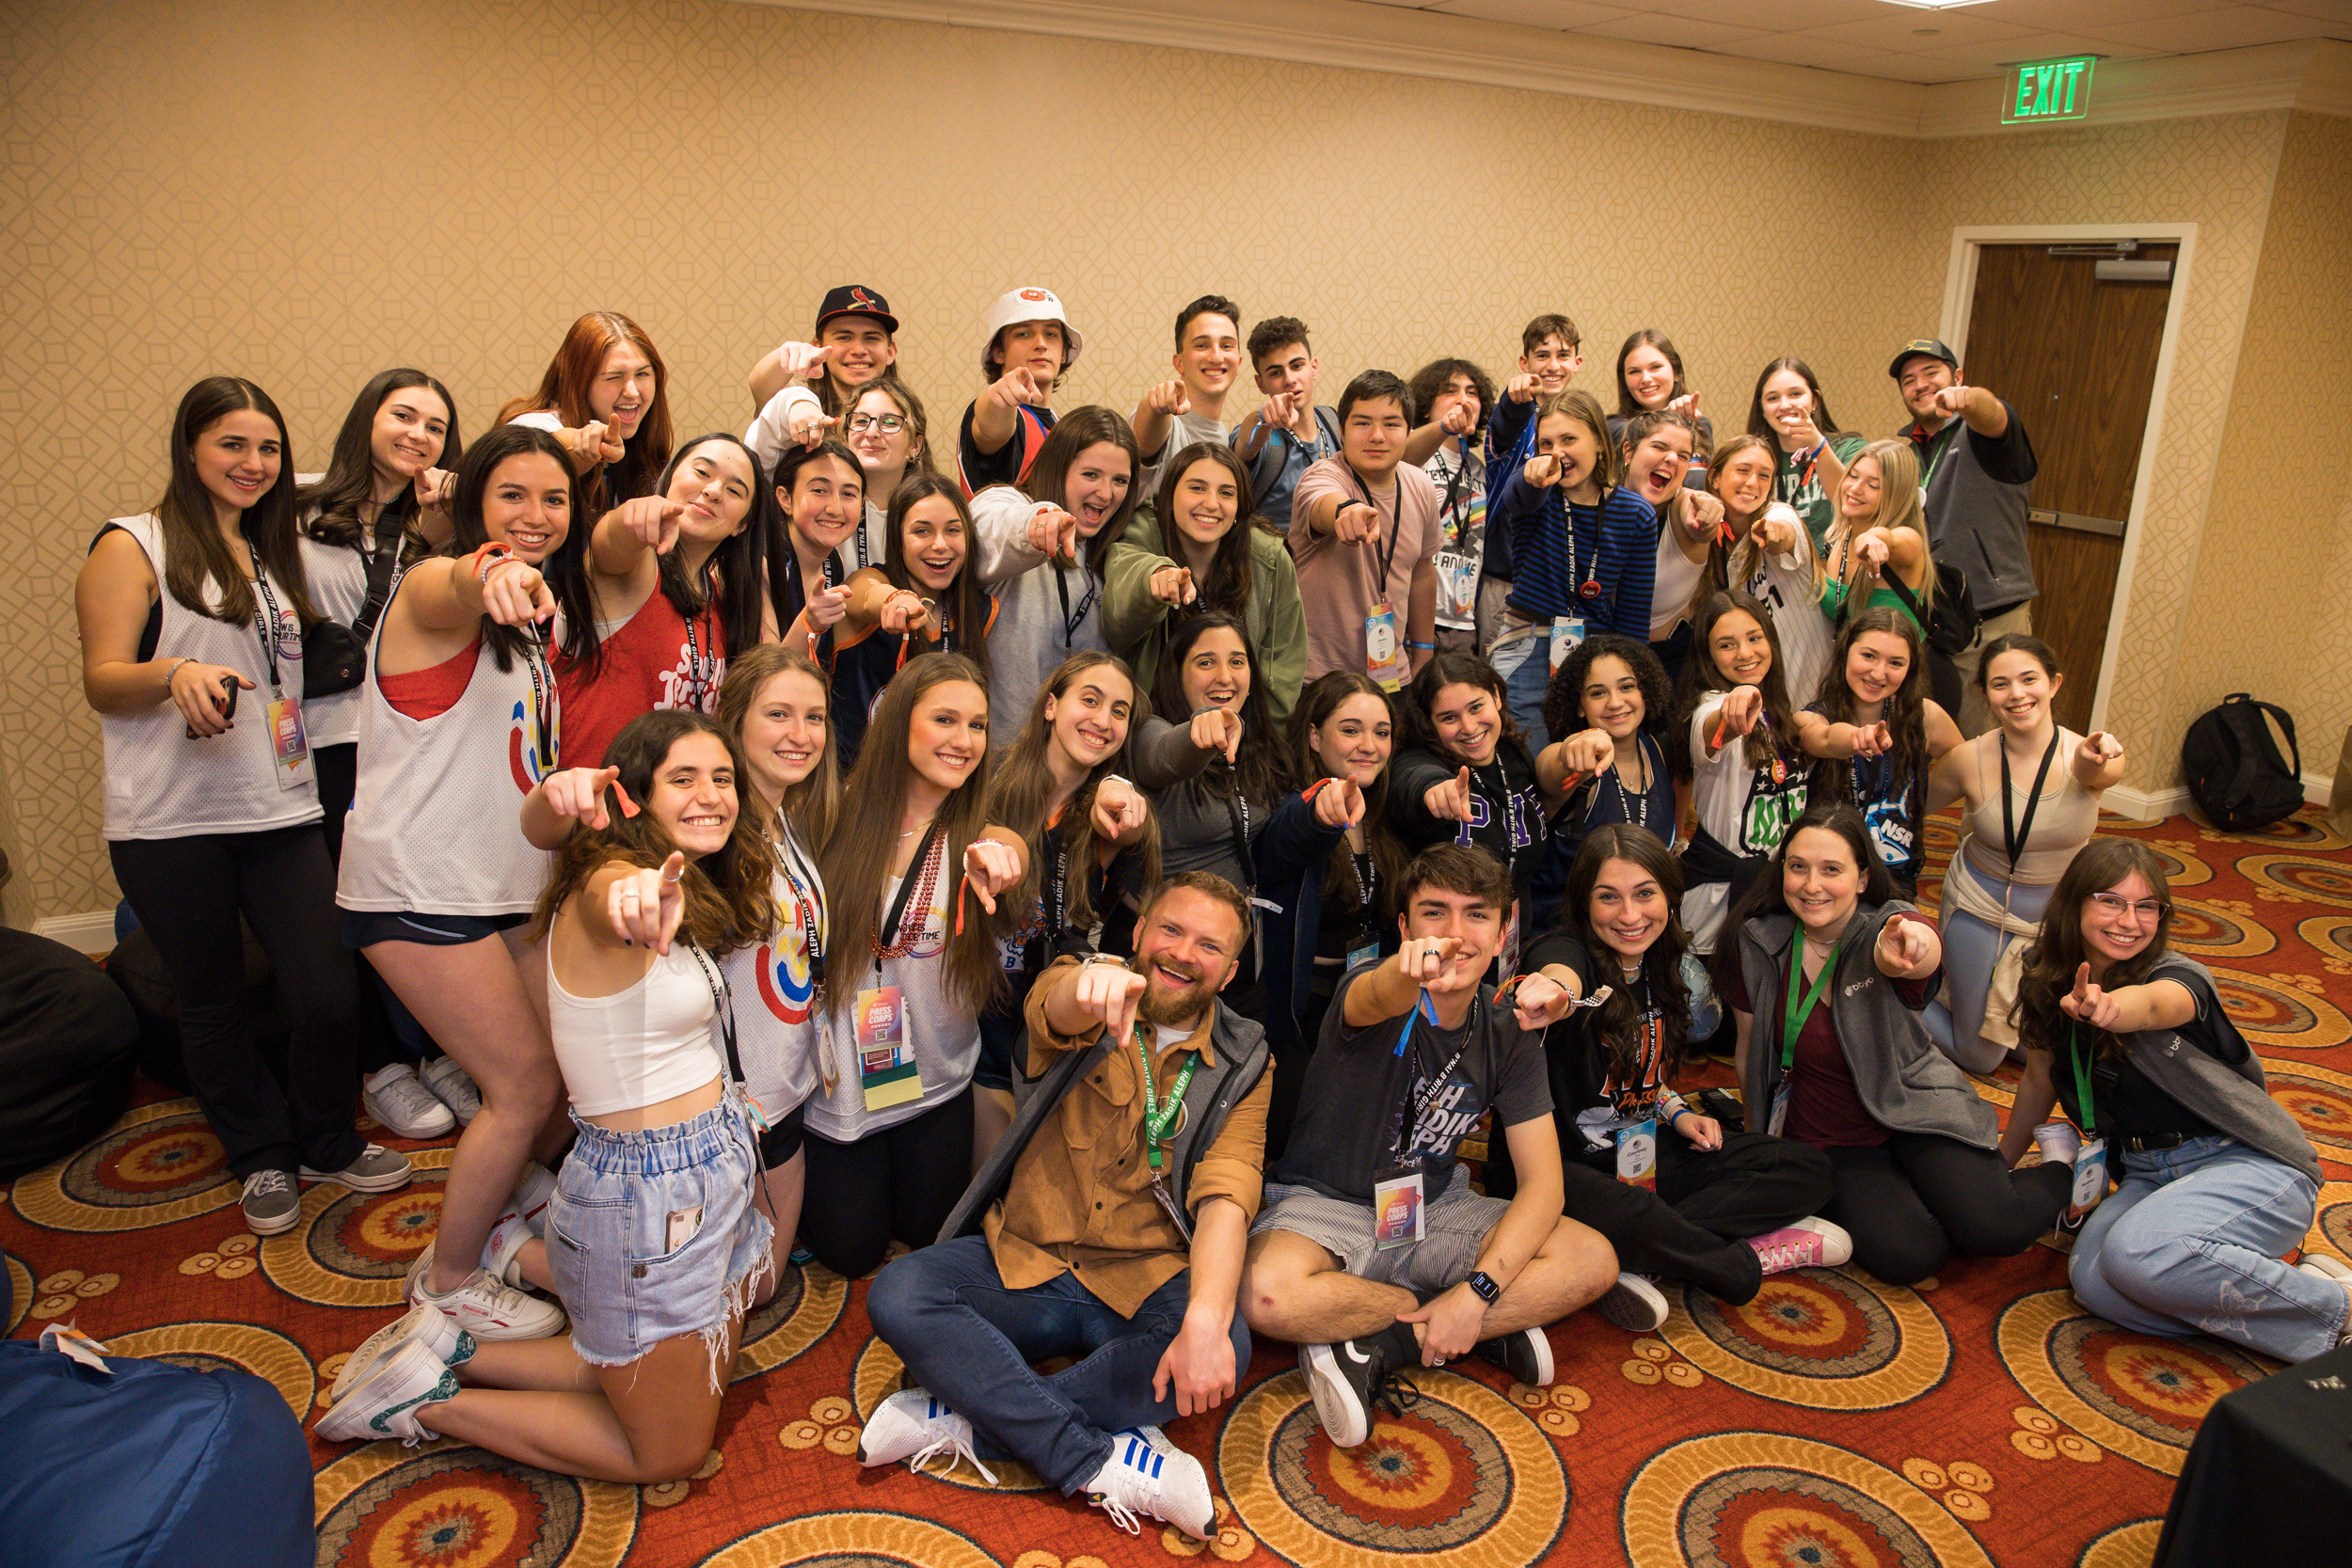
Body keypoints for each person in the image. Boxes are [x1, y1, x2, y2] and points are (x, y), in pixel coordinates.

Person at [320, 712, 778, 1480]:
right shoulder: (612, 890)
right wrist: (632, 893)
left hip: (704, 1169)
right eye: (683, 778)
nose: (711, 795)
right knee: (670, 1449)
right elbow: (610, 891)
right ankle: (419, 1400)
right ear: (631, 797)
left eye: (722, 777)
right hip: (648, 1196)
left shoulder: (688, 878)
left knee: (688, 1374)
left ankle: (459, 1348)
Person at [78, 376, 404, 1237]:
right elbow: (103, 680)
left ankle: (326, 1139)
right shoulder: (133, 544)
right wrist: (171, 674)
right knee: (212, 997)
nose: (253, 463)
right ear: (191, 448)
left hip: (279, 804)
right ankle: (260, 1150)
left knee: (328, 991)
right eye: (232, 444)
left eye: (267, 448)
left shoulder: (271, 554)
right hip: (169, 819)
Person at [861, 872, 1271, 1540]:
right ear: (1138, 933)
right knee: (902, 1293)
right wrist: (1088, 991)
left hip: (1144, 1278)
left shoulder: (1247, 1056)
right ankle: (1099, 1458)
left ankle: (967, 1418)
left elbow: (1229, 1194)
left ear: (1227, 972)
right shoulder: (1081, 979)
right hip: (1028, 1257)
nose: (1182, 953)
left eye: (1209, 945)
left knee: (1226, 1336)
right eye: (1170, 929)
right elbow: (1056, 1007)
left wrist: (1203, 1316)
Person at [336, 422, 584, 1338]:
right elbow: (457, 582)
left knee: (561, 1076)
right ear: (475, 501)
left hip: (502, 885)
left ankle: (495, 1220)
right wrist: (491, 571)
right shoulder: (434, 592)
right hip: (417, 886)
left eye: (552, 498)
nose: (535, 515)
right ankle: (445, 1280)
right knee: (520, 1084)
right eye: (511, 495)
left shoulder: (532, 624)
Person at [1239, 846, 1616, 1446]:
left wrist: (1479, 1291)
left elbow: (1544, 1184)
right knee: (1265, 1294)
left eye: (1476, 915)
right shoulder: (1366, 989)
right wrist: (1406, 970)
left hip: (1433, 1205)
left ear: (1503, 931)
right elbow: (1380, 991)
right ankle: (1480, 1329)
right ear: (1405, 928)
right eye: (1434, 913)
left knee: (1592, 1259)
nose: (1456, 935)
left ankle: (1383, 1341)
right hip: (1325, 1206)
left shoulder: (1509, 1029)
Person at [2004, 838, 2346, 1361]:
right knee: (2094, 1283)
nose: (2130, 920)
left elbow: (2154, 1006)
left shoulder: (2181, 977)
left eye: (2146, 906)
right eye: (2111, 901)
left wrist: (2109, 1007)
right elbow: (2037, 1082)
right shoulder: (2047, 978)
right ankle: (2281, 1294)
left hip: (2249, 1162)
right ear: (2074, 904)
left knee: (2135, 1256)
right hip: (2147, 1172)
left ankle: (2336, 1311)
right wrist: (1998, 1165)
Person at [1508, 827, 1843, 1333]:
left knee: (1807, 1169)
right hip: (1559, 1166)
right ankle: (1732, 1263)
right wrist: (1553, 992)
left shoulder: (1664, 964)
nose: (1629, 915)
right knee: (1636, 1212)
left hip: (1640, 1149)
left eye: (1645, 893)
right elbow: (1558, 973)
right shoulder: (1566, 949)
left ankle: (1645, 1251)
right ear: (1583, 902)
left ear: (1669, 894)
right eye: (1607, 898)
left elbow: (1644, 1070)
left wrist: (1677, 1113)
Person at [1725, 802, 2070, 1287]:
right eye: (1797, 867)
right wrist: (1760, 1139)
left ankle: (2063, 1165)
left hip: (1915, 1109)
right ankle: (1926, 1193)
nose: (1811, 885)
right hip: (1832, 1136)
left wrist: (1908, 947)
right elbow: (1748, 1050)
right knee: (1912, 1256)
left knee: (1997, 1228)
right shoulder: (1760, 942)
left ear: (1863, 879)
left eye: (1832, 870)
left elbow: (1918, 946)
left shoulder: (1885, 928)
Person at [802, 653, 1028, 1279]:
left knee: (928, 1232)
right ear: (900, 722)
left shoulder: (974, 834)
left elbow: (1008, 849)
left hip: (933, 1074)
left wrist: (1009, 856)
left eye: (978, 725)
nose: (964, 740)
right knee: (852, 1251)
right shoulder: (834, 812)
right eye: (946, 719)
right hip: (848, 1072)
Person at [975, 652, 1158, 1162]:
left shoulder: (1111, 810)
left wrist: (1118, 795)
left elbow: (1136, 835)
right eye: (1091, 700)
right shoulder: (990, 779)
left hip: (1057, 1022)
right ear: (1052, 705)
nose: (1103, 721)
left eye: (1119, 712)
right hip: (973, 1018)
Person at [1924, 635, 2126, 1072]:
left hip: (2055, 921)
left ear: (2053, 684)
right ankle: (1887, 999)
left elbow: (2099, 770)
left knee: (2043, 1044)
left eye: (2028, 679)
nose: (2016, 694)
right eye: (2000, 684)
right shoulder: (1967, 759)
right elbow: (1905, 808)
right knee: (1980, 1055)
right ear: (1984, 694)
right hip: (1980, 911)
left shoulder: (2084, 754)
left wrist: (2100, 754)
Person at [717, 644, 838, 1290]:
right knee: (693, 1308)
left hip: (786, 1091)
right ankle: (519, 1246)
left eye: (815, 717)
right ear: (734, 720)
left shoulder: (782, 818)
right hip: (725, 1115)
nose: (801, 735)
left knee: (760, 1285)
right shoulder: (714, 831)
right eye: (779, 714)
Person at [555, 434, 771, 770]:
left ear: (741, 525)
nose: (713, 491)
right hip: (594, 809)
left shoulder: (721, 601)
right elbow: (608, 547)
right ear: (669, 478)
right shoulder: (638, 567)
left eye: (734, 490)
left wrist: (810, 623)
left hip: (671, 812)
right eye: (702, 472)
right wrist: (631, 518)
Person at [1259, 672, 1407, 1156]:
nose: (1369, 746)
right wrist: (1319, 815)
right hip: (1301, 1017)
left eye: (1381, 732)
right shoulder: (1295, 805)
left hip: (1369, 999)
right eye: (1350, 730)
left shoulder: (1385, 812)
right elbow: (1281, 842)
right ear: (1314, 735)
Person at [1484, 388, 1655, 747]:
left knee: (1590, 759)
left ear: (1599, 443)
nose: (1557, 452)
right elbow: (1518, 495)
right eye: (1546, 443)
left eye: (1569, 439)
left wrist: (1628, 678)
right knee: (1527, 749)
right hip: (1527, 639)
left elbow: (1634, 615)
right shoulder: (1537, 495)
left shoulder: (1636, 513)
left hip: (1598, 647)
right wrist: (1531, 476)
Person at [1890, 338, 2039, 735]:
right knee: (1935, 740)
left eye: (1930, 374)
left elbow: (1992, 413)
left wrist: (1967, 400)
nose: (1919, 385)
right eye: (1908, 380)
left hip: (1991, 616)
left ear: (1956, 377)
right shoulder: (1908, 453)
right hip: (1933, 619)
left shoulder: (1985, 436)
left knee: (1993, 739)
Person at [1102, 442, 1307, 726]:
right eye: (1197, 488)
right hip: (1150, 733)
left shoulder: (1268, 559)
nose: (1211, 503)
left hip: (1240, 733)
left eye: (1226, 493)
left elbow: (1283, 667)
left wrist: (1253, 738)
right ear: (1170, 495)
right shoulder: (1143, 535)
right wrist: (1154, 579)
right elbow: (1120, 603)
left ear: (1239, 506)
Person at [1388, 654, 1556, 980]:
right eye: (1449, 717)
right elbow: (1411, 780)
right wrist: (1435, 790)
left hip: (1508, 943)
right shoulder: (1417, 761)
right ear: (1429, 724)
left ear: (1496, 696)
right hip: (1445, 955)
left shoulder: (1513, 754)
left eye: (1476, 707)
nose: (1469, 727)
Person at [972, 407, 1141, 730]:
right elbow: (991, 529)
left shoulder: (1111, 553)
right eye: (1091, 475)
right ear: (1057, 468)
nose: (1106, 493)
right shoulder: (1008, 503)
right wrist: (1035, 524)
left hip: (1072, 765)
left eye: (1120, 480)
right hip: (995, 761)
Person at [1128, 613, 1294, 929]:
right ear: (1176, 673)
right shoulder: (1148, 731)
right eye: (1206, 663)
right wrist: (1200, 730)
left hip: (1232, 940)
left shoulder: (1261, 745)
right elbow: (1166, 756)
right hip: (1159, 938)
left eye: (1237, 662)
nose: (1224, 677)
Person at [827, 474, 998, 768]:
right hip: (852, 789)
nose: (940, 545)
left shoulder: (980, 611)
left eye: (953, 530)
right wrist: (894, 601)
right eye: (922, 531)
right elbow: (862, 595)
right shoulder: (872, 579)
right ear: (897, 538)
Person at [1674, 592, 1811, 957]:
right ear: (1708, 655)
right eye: (1726, 645)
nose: (1745, 653)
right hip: (1717, 908)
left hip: (1775, 893)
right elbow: (1715, 731)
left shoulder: (1780, 710)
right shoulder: (1709, 707)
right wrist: (1737, 706)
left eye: (1754, 638)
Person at [1795, 607, 1963, 899]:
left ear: (1910, 668)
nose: (1878, 672)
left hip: (1895, 878)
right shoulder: (1813, 716)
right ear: (1846, 652)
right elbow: (1820, 739)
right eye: (1869, 656)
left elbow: (1968, 766)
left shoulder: (1923, 716)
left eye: (1896, 662)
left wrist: (1916, 801)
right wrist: (1856, 739)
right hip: (1822, 881)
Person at [1290, 371, 1440, 689]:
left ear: (1408, 431)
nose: (1377, 436)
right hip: (1319, 679)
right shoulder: (1321, 476)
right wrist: (1345, 512)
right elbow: (1322, 503)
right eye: (1362, 423)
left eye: (1391, 424)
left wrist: (1423, 652)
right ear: (1341, 430)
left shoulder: (1421, 485)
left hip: (1390, 675)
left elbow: (1423, 571)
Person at [1528, 635, 1676, 927]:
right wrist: (1574, 750)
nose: (1615, 702)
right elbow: (1550, 768)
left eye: (1627, 687)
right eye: (1597, 693)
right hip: (1569, 939)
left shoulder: (1658, 747)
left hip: (1642, 932)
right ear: (1579, 705)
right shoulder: (1577, 765)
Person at [1694, 435, 1833, 708]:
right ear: (1715, 478)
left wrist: (1773, 534)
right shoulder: (1711, 542)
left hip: (1819, 697)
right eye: (1743, 470)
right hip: (1770, 708)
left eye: (1764, 476)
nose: (1752, 483)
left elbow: (1783, 532)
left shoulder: (1779, 513)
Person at [1479, 314, 1584, 652]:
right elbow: (1505, 421)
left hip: (1565, 588)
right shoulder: (1516, 420)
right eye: (1542, 355)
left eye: (1563, 355)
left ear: (1577, 363)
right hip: (1508, 586)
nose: (1553, 365)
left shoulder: (1586, 426)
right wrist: (1515, 399)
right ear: (1525, 362)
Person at [498, 310, 673, 509]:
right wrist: (585, 444)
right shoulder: (533, 425)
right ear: (579, 382)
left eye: (642, 374)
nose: (632, 392)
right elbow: (544, 445)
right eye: (614, 377)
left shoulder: (640, 447)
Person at [1625, 410, 1724, 687]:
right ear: (1628, 452)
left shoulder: (1684, 505)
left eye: (1683, 455)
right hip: (1605, 661)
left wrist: (1707, 517)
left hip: (1672, 667)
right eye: (1659, 447)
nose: (1671, 459)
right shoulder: (1603, 503)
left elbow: (1698, 516)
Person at [1404, 358, 1495, 655]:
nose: (1463, 399)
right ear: (1427, 405)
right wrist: (1442, 428)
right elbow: (1399, 456)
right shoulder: (1417, 454)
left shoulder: (1481, 470)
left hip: (1463, 624)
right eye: (1450, 391)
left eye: (1471, 392)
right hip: (1411, 620)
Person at [959, 286, 1081, 495]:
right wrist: (999, 401)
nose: (1041, 344)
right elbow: (991, 429)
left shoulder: (1061, 425)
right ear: (998, 353)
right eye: (1024, 334)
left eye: (1051, 334)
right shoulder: (998, 412)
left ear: (1064, 353)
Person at [1229, 316, 1341, 534]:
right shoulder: (1264, 434)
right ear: (1261, 383)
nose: (1289, 379)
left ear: (1314, 367)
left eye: (1297, 366)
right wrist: (1262, 419)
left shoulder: (1333, 421)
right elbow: (1244, 446)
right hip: (1278, 563)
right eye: (1276, 372)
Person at [1748, 356, 1863, 553]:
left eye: (1795, 394)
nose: (1784, 405)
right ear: (1762, 408)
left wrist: (1816, 445)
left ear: (1814, 400)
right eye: (1773, 398)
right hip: (1774, 572)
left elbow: (1850, 503)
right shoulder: (1753, 459)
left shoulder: (1850, 449)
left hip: (1833, 570)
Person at [1133, 294, 1243, 495]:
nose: (1216, 357)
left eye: (1226, 345)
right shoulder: (1166, 418)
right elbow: (1143, 442)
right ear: (1179, 362)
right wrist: (1154, 408)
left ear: (1239, 362)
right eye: (1202, 345)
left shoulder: (1225, 437)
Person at [767, 439, 866, 655]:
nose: (835, 508)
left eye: (848, 494)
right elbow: (767, 677)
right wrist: (808, 623)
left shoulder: (834, 561)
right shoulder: (763, 562)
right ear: (785, 499)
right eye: (820, 490)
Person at [746, 282, 900, 418]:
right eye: (844, 338)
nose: (859, 350)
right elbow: (761, 387)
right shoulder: (799, 399)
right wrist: (785, 353)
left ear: (890, 352)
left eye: (871, 338)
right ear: (818, 346)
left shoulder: (904, 411)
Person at [845, 378, 932, 562]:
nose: (871, 433)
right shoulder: (826, 508)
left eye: (890, 422)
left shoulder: (933, 514)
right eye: (861, 421)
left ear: (914, 446)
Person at [1609, 329, 1713, 461]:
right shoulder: (1614, 426)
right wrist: (1665, 418)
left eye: (1655, 367)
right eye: (1635, 371)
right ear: (1624, 380)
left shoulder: (1701, 425)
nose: (1646, 379)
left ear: (1675, 372)